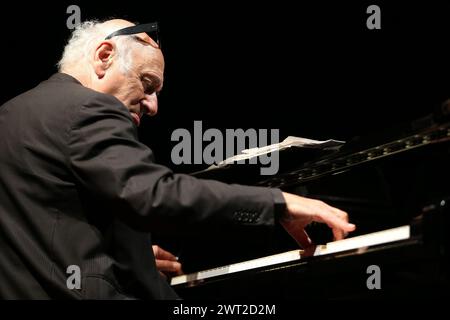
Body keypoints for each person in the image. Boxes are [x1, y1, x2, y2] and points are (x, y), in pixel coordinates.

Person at [0, 19, 355, 299]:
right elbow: (155, 194)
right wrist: (277, 202)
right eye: (148, 84)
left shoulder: (11, 114)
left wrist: (129, 255)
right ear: (104, 56)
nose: (153, 106)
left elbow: (43, 227)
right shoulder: (87, 108)